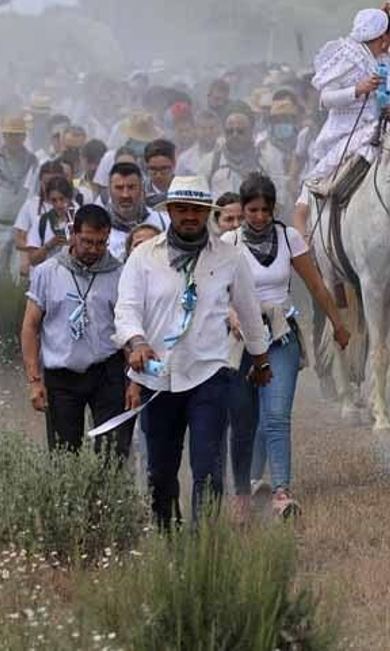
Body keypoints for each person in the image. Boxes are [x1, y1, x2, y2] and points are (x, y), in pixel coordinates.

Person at [114, 175, 271, 527]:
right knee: (160, 473)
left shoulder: (230, 257)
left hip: (209, 375)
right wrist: (137, 342)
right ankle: (168, 536)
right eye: (182, 209)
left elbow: (249, 312)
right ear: (170, 210)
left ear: (207, 213)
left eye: (197, 210)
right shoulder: (143, 256)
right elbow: (126, 309)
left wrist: (261, 360)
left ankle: (205, 543)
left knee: (209, 469)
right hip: (158, 377)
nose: (189, 216)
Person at [221, 174, 350, 519]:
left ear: (273, 208)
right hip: (242, 341)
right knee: (245, 419)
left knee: (276, 415)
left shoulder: (289, 238)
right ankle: (245, 488)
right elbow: (216, 292)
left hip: (281, 335)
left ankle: (281, 492)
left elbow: (316, 285)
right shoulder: (229, 242)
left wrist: (338, 324)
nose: (260, 217)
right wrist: (231, 315)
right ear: (243, 209)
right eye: (253, 210)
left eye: (265, 210)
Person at [20, 203, 131, 457]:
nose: (93, 250)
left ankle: (107, 485)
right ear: (73, 234)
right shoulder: (47, 272)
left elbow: (127, 328)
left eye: (101, 243)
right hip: (62, 375)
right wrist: (35, 380)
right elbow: (30, 326)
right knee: (64, 455)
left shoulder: (119, 274)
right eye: (87, 242)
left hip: (106, 372)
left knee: (112, 452)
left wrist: (133, 381)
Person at [299, 6, 390, 226]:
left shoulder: (389, 61)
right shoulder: (348, 56)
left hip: (384, 126)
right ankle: (309, 211)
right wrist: (358, 89)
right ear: (383, 37)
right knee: (332, 169)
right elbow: (325, 99)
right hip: (346, 131)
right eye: (389, 35)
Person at [0, 114, 40, 278]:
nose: (13, 139)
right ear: (3, 136)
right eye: (9, 135)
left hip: (22, 228)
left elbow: (35, 192)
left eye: (17, 135)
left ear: (24, 137)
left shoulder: (33, 161)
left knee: (19, 277)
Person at [203, 108, 273, 199]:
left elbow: (277, 198)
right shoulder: (210, 162)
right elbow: (199, 200)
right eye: (230, 131)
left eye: (240, 131)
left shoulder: (265, 161)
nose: (234, 135)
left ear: (251, 132)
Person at [106, 161, 167, 260]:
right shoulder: (100, 228)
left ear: (142, 189)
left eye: (131, 187)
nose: (125, 195)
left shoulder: (164, 222)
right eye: (119, 188)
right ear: (109, 191)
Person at [23, 175, 78, 269]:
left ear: (69, 197)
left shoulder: (80, 219)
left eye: (62, 199)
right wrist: (49, 245)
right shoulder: (41, 221)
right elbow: (32, 260)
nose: (59, 204)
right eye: (54, 200)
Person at [142, 139, 177, 209]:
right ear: (146, 166)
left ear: (174, 164)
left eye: (164, 169)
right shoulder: (139, 193)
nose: (158, 175)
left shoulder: (185, 192)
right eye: (153, 169)